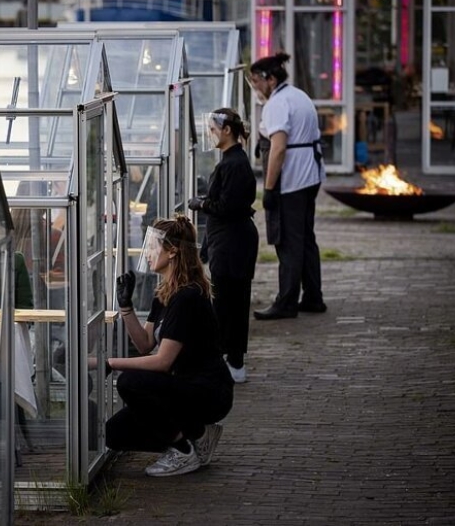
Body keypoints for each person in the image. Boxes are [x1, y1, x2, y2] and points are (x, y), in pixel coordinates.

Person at [105, 215, 233, 477]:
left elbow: (162, 361)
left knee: (130, 383)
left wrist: (109, 363)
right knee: (114, 434)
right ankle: (199, 433)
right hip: (182, 385)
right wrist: (126, 306)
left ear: (172, 251)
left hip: (207, 389)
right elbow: (144, 344)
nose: (148, 253)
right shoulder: (165, 292)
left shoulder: (187, 295)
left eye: (153, 247)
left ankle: (183, 449)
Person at [249, 52, 327, 320]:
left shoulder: (278, 104)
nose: (255, 87)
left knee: (289, 242)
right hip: (311, 176)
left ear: (270, 79)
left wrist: (269, 189)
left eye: (256, 81)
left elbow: (278, 149)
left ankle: (287, 301)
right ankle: (313, 296)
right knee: (305, 238)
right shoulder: (298, 95)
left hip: (293, 179)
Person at [188, 108, 258, 383]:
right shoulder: (232, 162)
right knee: (229, 301)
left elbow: (228, 206)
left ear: (227, 130)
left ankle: (233, 361)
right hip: (228, 241)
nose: (210, 134)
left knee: (230, 303)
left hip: (233, 243)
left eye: (213, 129)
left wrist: (202, 203)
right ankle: (230, 360)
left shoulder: (234, 164)